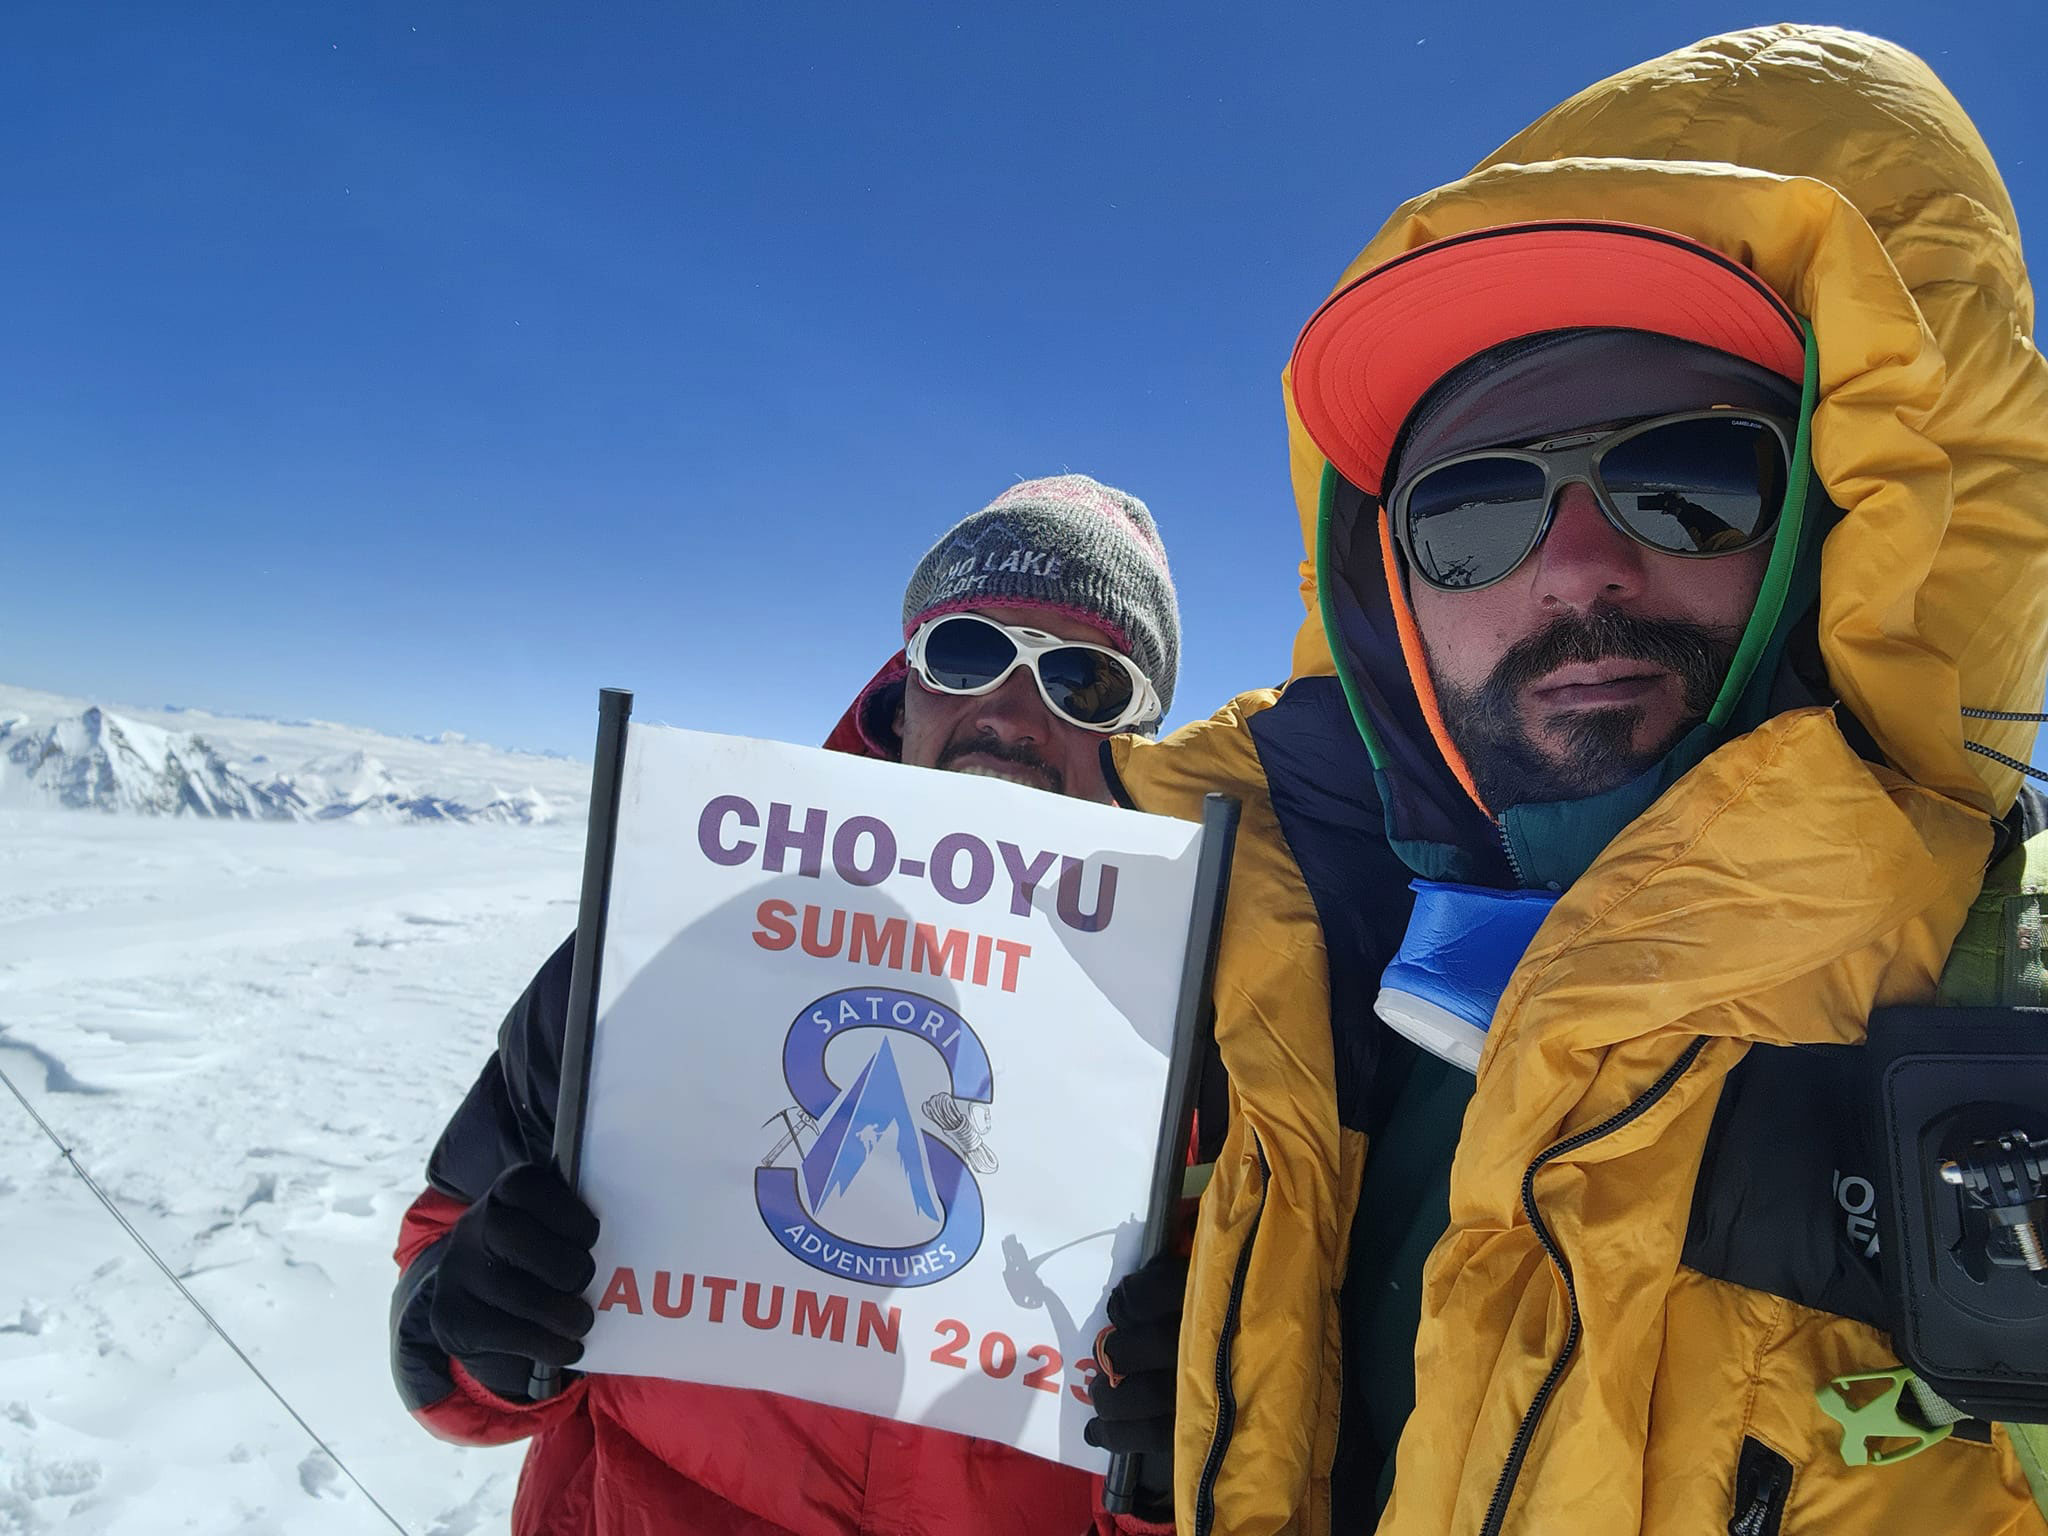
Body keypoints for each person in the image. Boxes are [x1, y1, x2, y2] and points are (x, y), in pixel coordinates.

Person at [1093, 24, 2048, 1536]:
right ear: (1385, 587)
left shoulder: (2010, 1017)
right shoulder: (1262, 965)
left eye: (1692, 478)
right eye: (1473, 512)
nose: (1580, 567)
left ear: (1841, 517)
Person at [388, 474, 1183, 1535]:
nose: (1008, 710)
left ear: (1136, 740)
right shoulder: (664, 937)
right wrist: (475, 1314)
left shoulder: (1205, 1035)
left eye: (1084, 680)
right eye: (965, 650)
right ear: (902, 697)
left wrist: (1194, 1463)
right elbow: (446, 1341)